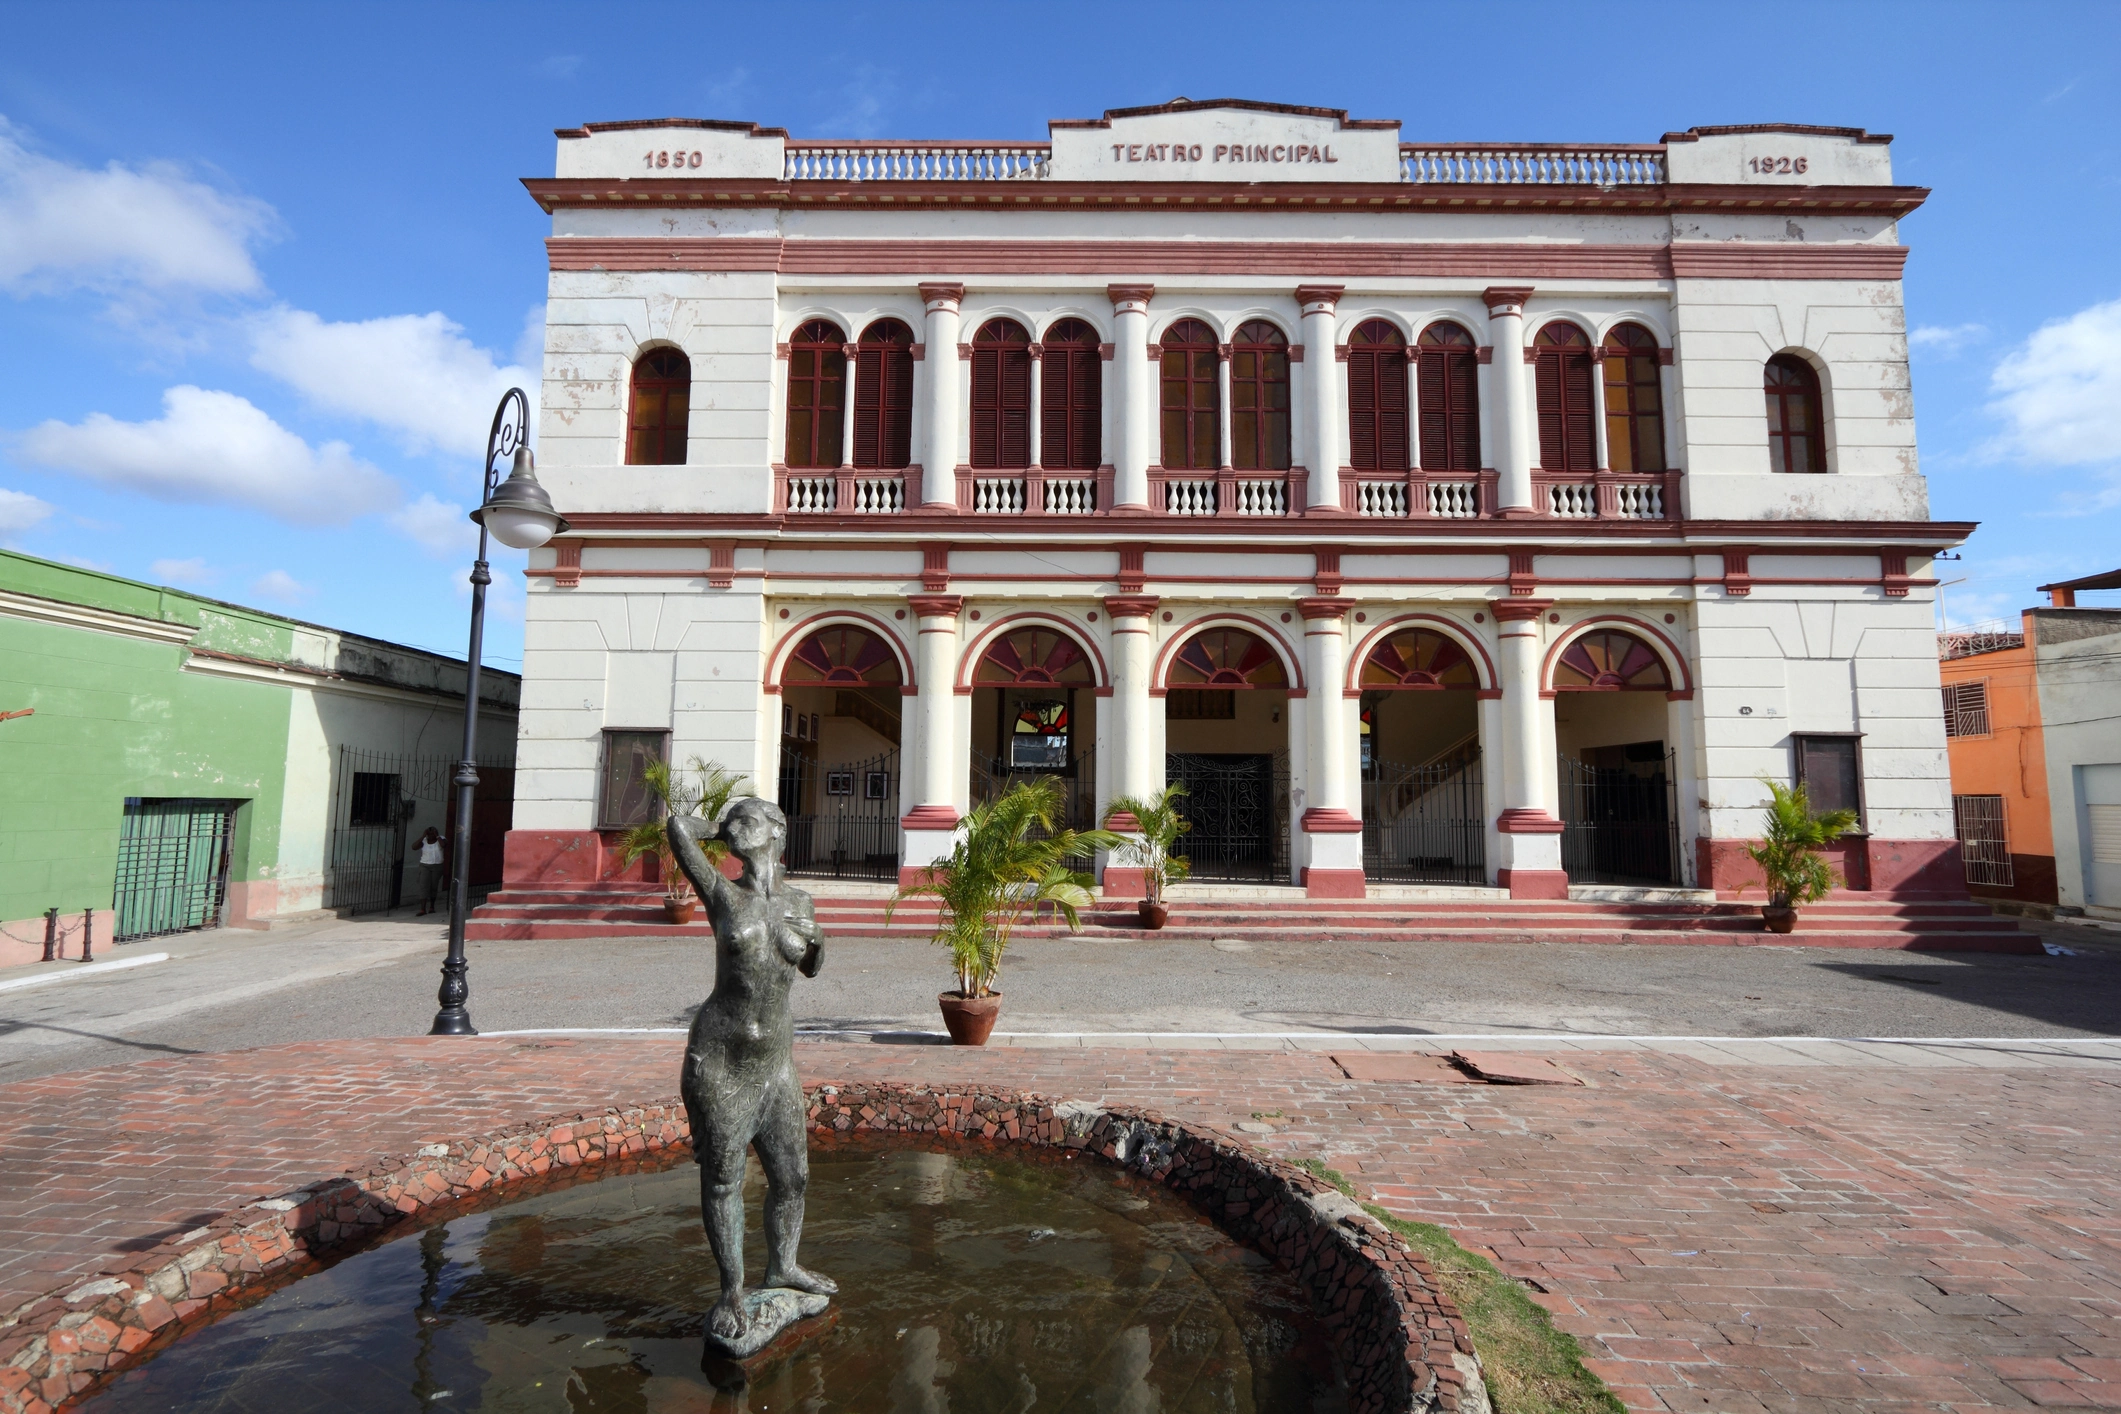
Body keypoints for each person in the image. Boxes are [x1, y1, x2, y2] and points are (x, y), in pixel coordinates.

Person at [668, 798, 835, 1346]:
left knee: (793, 1177)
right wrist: (722, 829)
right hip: (722, 1061)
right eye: (731, 820)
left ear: (776, 831)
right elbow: (677, 828)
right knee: (723, 1179)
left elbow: (811, 967)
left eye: (747, 820)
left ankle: (783, 1266)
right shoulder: (723, 894)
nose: (735, 828)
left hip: (776, 1063)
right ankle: (731, 1290)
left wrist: (816, 942)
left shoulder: (799, 901)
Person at [414, 827, 445, 916]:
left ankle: (432, 906)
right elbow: (414, 847)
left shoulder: (441, 839)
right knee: (423, 886)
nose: (431, 835)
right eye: (429, 834)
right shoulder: (423, 841)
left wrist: (437, 836)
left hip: (437, 865)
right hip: (425, 865)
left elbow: (443, 845)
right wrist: (423, 836)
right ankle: (423, 909)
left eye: (433, 833)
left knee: (433, 886)